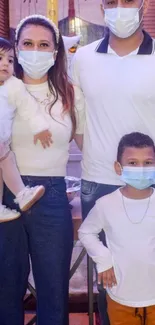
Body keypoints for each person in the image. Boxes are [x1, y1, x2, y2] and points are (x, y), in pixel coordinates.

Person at [71, 0, 155, 323]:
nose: (120, 8)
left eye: (128, 0)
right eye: (111, 2)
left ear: (144, 5)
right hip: (99, 183)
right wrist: (97, 153)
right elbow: (78, 118)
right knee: (110, 280)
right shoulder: (84, 59)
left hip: (149, 181)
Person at [0, 14, 84, 325]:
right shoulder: (5, 89)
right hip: (5, 194)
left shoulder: (70, 93)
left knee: (53, 289)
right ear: (17, 49)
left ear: (56, 51)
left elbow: (90, 143)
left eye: (44, 44)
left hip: (51, 196)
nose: (36, 51)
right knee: (6, 288)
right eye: (28, 44)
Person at [79, 132, 155, 325]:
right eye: (133, 163)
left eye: (148, 163)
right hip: (120, 299)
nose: (141, 169)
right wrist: (103, 259)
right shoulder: (106, 204)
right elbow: (86, 232)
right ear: (118, 168)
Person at [0, 37, 55, 222]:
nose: (5, 64)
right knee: (6, 159)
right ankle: (22, 193)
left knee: (4, 163)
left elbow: (28, 107)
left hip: (2, 139)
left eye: (9, 60)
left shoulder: (14, 86)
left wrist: (39, 128)